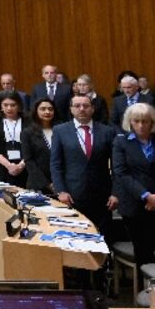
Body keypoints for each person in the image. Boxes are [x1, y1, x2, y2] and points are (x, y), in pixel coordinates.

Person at [50, 93, 118, 230]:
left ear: (92, 108)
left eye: (86, 106)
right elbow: (56, 164)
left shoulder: (107, 131)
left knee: (104, 236)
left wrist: (116, 193)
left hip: (102, 196)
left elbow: (117, 166)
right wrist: (61, 191)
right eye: (77, 106)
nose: (82, 109)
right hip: (72, 195)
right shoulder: (60, 131)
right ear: (71, 109)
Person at [112, 103, 155, 270]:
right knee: (143, 250)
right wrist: (147, 196)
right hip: (135, 203)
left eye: (145, 121)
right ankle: (148, 292)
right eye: (136, 121)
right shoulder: (121, 142)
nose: (141, 125)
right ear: (129, 122)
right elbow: (121, 173)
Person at [0, 91, 29, 186]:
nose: (9, 108)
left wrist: (20, 166)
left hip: (24, 168)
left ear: (19, 105)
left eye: (13, 105)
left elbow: (33, 146)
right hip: (1, 168)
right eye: (5, 105)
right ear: (0, 106)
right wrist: (8, 165)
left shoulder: (28, 121)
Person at [22, 97, 57, 195]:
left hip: (60, 183)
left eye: (50, 109)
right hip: (37, 183)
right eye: (43, 109)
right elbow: (28, 160)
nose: (47, 112)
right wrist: (48, 184)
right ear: (36, 111)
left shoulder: (60, 130)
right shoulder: (28, 132)